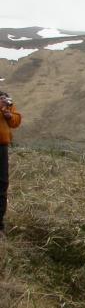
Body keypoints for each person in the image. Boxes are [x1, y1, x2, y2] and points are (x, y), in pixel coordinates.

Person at [0, 91, 22, 238]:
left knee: (2, 183)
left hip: (1, 147)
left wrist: (7, 113)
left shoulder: (5, 100)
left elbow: (15, 122)